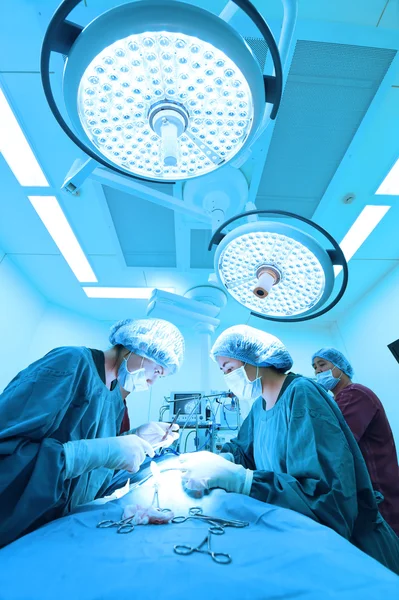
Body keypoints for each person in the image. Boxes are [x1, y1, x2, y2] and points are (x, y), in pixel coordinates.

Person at [181, 325, 399, 575]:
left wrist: (244, 480)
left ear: (255, 359)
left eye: (229, 369)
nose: (228, 379)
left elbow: (329, 500)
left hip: (355, 550)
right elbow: (243, 451)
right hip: (302, 539)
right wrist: (220, 459)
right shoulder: (258, 408)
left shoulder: (303, 394)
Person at [0, 318, 184, 547]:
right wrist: (96, 452)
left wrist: (135, 437)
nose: (152, 381)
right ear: (143, 347)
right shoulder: (70, 364)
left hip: (57, 526)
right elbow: (6, 451)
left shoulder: (116, 399)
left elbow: (97, 471)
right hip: (18, 523)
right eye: (157, 370)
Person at [312, 347, 399, 536]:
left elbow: (337, 441)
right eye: (314, 368)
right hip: (372, 487)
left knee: (389, 541)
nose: (318, 371)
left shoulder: (354, 394)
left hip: (379, 485)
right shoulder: (339, 399)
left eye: (322, 364)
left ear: (340, 367)